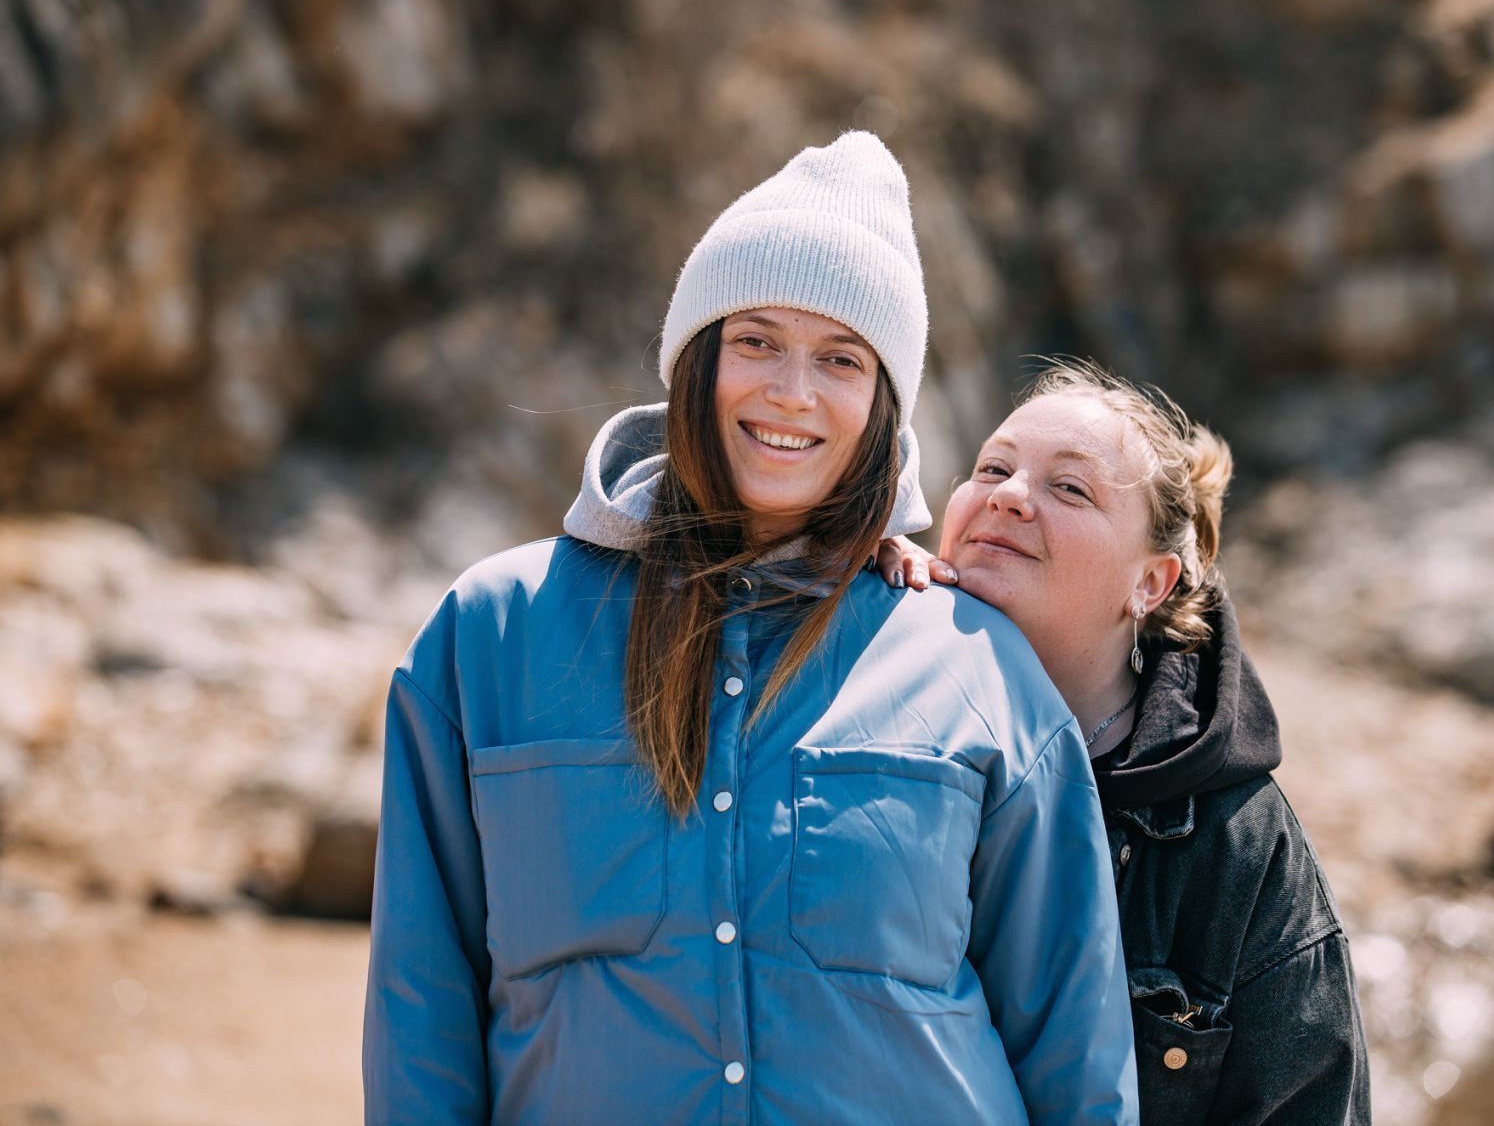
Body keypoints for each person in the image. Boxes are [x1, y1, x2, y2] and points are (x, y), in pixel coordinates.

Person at [363, 133, 1139, 1124]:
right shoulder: (490, 637)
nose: (792, 391)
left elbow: (1076, 1058)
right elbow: (420, 1016)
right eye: (756, 340)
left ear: (881, 405)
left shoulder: (974, 665)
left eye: (841, 358)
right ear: (696, 361)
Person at [882, 362, 1371, 1123]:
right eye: (993, 469)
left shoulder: (1235, 845)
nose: (1009, 494)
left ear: (1151, 582)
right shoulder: (865, 719)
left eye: (1070, 488)